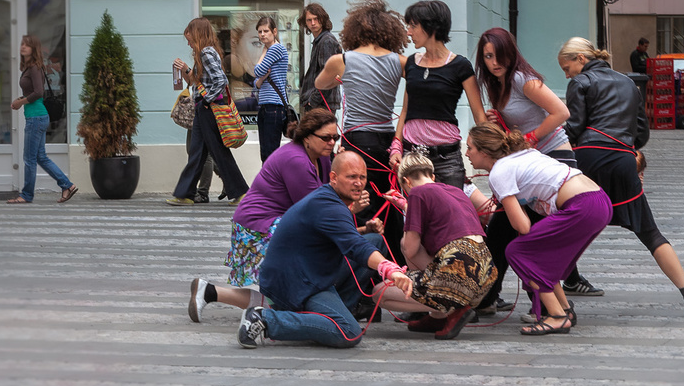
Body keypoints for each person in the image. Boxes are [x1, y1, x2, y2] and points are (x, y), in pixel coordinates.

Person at [559, 37, 684, 319]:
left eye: (567, 68)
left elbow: (574, 129)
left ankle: (558, 298)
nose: (567, 74)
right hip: (622, 160)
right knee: (650, 232)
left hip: (588, 160)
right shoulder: (629, 84)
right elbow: (641, 135)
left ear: (581, 58)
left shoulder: (581, 83)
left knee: (568, 224)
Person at [473, 26, 603, 306]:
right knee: (501, 230)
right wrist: (501, 123)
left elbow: (562, 113)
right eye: (487, 57)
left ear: (510, 54)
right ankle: (490, 298)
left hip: (554, 157)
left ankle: (547, 305)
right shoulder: (497, 84)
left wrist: (530, 138)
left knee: (530, 234)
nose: (494, 63)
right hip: (526, 163)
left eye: (498, 56)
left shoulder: (522, 79)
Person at [237, 152, 409, 350]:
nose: (358, 183)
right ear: (334, 178)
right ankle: (264, 319)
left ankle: (329, 317)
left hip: (310, 272)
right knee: (349, 333)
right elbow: (355, 246)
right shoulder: (329, 206)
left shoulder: (330, 199)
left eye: (362, 177)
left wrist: (367, 231)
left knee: (376, 240)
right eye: (351, 177)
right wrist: (390, 269)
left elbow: (351, 240)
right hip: (297, 284)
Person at [189, 107, 344, 321]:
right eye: (326, 137)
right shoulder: (297, 160)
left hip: (279, 221)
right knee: (283, 297)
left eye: (336, 137)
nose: (332, 142)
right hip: (257, 226)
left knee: (281, 298)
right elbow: (316, 212)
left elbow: (326, 198)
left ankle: (209, 292)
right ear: (307, 136)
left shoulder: (322, 156)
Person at [465, 124, 611, 337]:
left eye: (469, 148)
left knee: (517, 251)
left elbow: (522, 226)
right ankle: (564, 311)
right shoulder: (521, 155)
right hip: (598, 200)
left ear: (485, 152)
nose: (466, 153)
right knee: (541, 258)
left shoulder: (499, 172)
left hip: (582, 206)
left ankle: (557, 316)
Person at [316, 0, 409, 259]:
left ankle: (366, 273)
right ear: (391, 32)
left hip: (357, 141)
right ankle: (395, 269)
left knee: (362, 206)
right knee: (390, 205)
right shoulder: (401, 62)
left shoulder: (342, 60)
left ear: (354, 30)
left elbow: (321, 84)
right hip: (389, 142)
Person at [371, 152, 497, 341]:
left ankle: (452, 307)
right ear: (432, 176)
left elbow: (411, 249)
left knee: (379, 293)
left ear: (406, 182)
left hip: (458, 277)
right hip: (484, 277)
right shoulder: (456, 192)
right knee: (434, 251)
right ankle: (438, 317)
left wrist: (409, 208)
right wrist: (407, 207)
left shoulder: (416, 193)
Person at [390, 0, 487, 189]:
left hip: (447, 159)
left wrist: (493, 152)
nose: (408, 32)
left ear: (431, 26)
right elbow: (405, 111)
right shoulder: (411, 63)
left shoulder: (460, 66)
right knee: (416, 215)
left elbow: (479, 115)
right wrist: (396, 146)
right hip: (413, 158)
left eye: (413, 26)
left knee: (450, 215)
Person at [168, 18, 248, 206]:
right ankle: (185, 194)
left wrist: (206, 100)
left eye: (189, 37)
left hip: (207, 110)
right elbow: (203, 81)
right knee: (197, 152)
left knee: (217, 152)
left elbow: (221, 81)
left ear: (197, 34)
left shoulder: (206, 52)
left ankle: (241, 192)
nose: (188, 42)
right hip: (203, 109)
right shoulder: (205, 52)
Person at [7, 35, 79, 204]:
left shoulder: (34, 67)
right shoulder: (29, 68)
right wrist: (20, 100)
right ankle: (67, 185)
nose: (23, 47)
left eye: (27, 45)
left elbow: (39, 93)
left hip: (36, 117)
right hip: (36, 116)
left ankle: (26, 195)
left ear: (34, 48)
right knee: (40, 157)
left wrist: (21, 102)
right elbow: (33, 92)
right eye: (22, 44)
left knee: (29, 158)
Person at [252, 15, 291, 161]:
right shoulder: (270, 50)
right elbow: (256, 83)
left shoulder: (276, 49)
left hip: (274, 107)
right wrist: (261, 79)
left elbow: (257, 71)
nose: (262, 34)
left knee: (270, 154)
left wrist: (263, 52)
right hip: (265, 106)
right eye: (260, 31)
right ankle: (267, 183)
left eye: (266, 31)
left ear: (274, 31)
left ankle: (273, 183)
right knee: (265, 153)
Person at [299, 3, 341, 113]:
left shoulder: (326, 41)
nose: (313, 23)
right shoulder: (321, 40)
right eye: (309, 20)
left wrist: (312, 101)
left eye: (316, 19)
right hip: (321, 103)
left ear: (322, 19)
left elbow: (328, 76)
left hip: (322, 104)